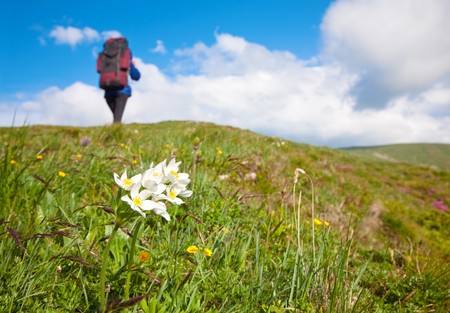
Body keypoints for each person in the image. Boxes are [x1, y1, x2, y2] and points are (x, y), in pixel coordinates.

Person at [104, 56, 141, 123]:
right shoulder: (125, 59)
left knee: (116, 116)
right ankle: (116, 131)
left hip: (108, 92)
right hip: (122, 90)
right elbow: (136, 76)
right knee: (117, 119)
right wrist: (133, 66)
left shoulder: (105, 59)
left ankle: (115, 130)